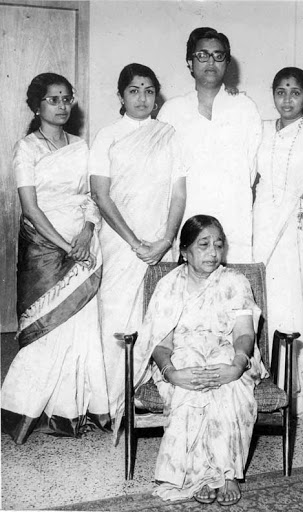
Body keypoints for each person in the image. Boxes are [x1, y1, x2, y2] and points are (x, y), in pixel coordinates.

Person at [1, 73, 110, 444]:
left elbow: (92, 197)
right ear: (37, 106)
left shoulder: (81, 146)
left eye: (67, 99)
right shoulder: (26, 148)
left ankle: (75, 410)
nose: (62, 106)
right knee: (48, 328)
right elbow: (29, 207)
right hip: (45, 244)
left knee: (81, 326)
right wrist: (65, 247)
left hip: (81, 241)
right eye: (53, 99)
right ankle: (25, 410)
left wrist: (87, 232)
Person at [129, 215, 266, 505]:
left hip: (230, 352)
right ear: (184, 251)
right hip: (180, 357)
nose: (213, 252)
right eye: (203, 245)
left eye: (219, 245)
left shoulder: (235, 281)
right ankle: (198, 476)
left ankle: (228, 474)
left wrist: (236, 366)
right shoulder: (169, 285)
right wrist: (172, 373)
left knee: (230, 390)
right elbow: (161, 343)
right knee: (189, 388)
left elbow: (243, 334)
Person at [89, 63, 186, 418]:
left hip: (161, 240)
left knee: (157, 318)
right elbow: (101, 195)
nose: (142, 98)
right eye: (134, 90)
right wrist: (134, 242)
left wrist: (165, 239)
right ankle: (110, 404)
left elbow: (178, 193)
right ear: (121, 96)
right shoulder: (107, 136)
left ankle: (150, 397)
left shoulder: (168, 134)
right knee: (116, 317)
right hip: (120, 243)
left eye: (149, 91)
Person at [253, 67, 303, 415]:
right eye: (280, 91)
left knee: (294, 299)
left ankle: (293, 389)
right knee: (263, 298)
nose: (287, 99)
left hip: (298, 225)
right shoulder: (263, 129)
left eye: (295, 92)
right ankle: (260, 381)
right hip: (263, 223)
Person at [157, 27, 262, 263]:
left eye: (218, 55)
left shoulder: (244, 108)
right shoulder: (172, 111)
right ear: (190, 62)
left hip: (233, 216)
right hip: (187, 214)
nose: (211, 61)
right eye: (202, 55)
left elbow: (251, 170)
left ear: (227, 62)